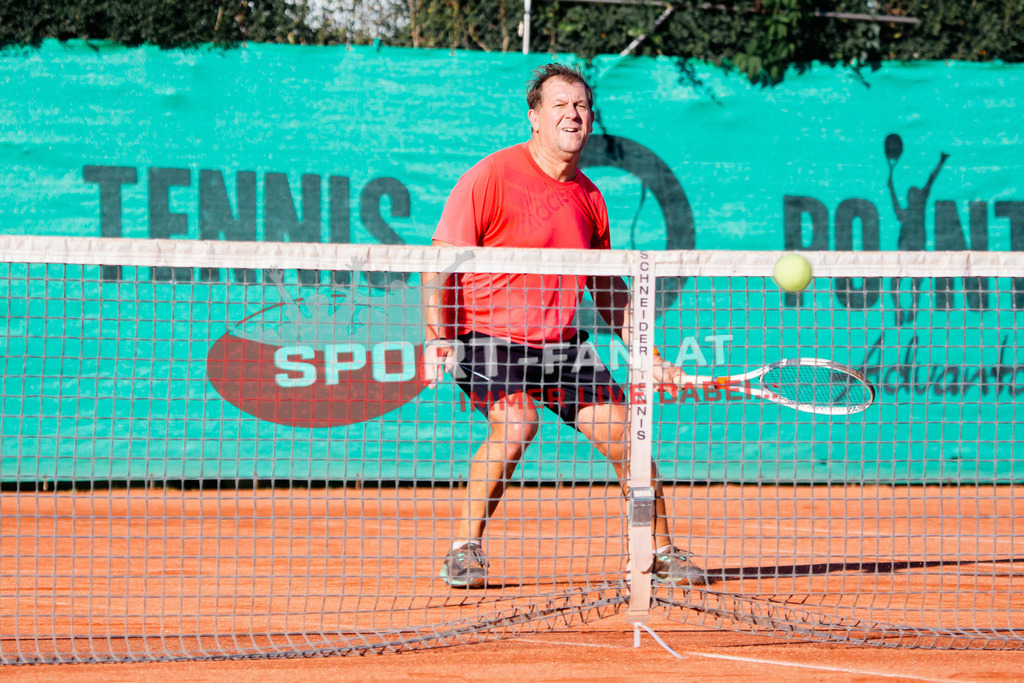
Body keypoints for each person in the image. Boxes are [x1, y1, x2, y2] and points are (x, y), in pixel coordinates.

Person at [422, 63, 708, 589]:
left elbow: (608, 290)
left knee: (628, 436)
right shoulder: (489, 177)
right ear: (534, 117)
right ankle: (463, 551)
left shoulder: (590, 196)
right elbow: (438, 265)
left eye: (580, 106)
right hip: (487, 337)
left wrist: (649, 355)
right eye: (559, 105)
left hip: (561, 346)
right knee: (516, 425)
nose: (572, 115)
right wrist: (438, 338)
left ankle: (660, 553)